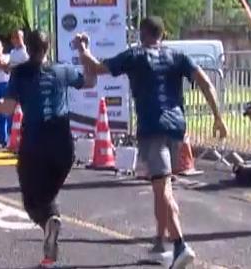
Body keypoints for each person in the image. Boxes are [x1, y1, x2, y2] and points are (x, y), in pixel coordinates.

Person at [77, 16, 227, 269]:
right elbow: (206, 83)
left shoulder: (135, 55)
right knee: (161, 184)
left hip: (152, 126)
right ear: (163, 34)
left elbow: (95, 68)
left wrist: (83, 49)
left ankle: (180, 244)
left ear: (141, 33)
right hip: (177, 127)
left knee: (164, 187)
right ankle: (159, 241)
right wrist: (218, 117)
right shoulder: (177, 56)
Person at [0, 30, 95, 268]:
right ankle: (49, 256)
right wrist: (84, 51)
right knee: (48, 195)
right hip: (63, 146)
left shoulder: (20, 73)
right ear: (48, 48)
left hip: (34, 146)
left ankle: (49, 222)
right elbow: (90, 81)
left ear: (27, 48)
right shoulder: (62, 70)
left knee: (33, 200)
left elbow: (8, 108)